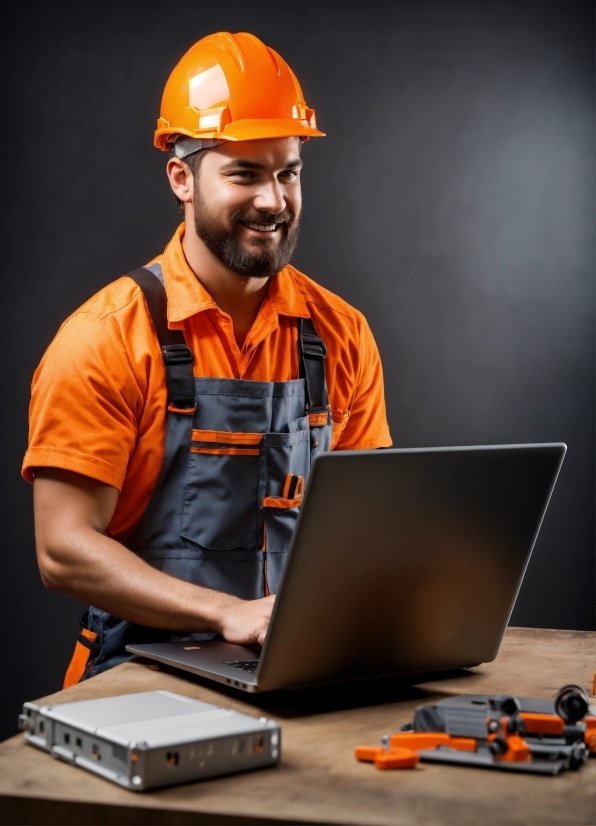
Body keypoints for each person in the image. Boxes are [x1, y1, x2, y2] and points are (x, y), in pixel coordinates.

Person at [22, 32, 392, 687]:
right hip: (132, 678)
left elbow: (366, 528)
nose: (273, 200)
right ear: (182, 178)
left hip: (290, 669)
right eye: (245, 173)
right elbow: (62, 549)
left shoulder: (340, 334)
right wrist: (232, 614)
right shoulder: (108, 337)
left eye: (288, 172)